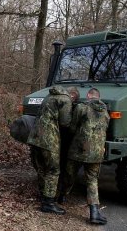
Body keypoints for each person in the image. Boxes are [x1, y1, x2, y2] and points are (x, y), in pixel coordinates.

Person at [59, 88, 110, 224]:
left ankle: (61, 197)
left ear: (88, 96)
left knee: (69, 174)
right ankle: (94, 213)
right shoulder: (105, 112)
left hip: (79, 149)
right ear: (98, 97)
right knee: (92, 180)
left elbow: (72, 128)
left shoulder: (82, 107)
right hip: (97, 152)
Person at [27, 85, 79, 215]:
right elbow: (65, 122)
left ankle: (43, 195)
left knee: (41, 168)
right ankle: (49, 203)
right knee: (53, 169)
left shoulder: (49, 96)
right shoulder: (65, 99)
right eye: (74, 100)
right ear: (72, 95)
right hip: (48, 138)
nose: (72, 102)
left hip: (35, 136)